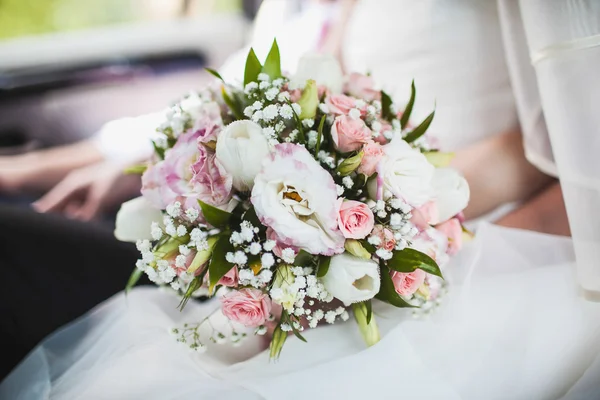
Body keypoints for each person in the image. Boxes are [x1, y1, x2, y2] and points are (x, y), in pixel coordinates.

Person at [3, 1, 600, 399]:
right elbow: (303, 92)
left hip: (440, 232)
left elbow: (574, 133)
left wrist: (400, 238)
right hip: (325, 238)